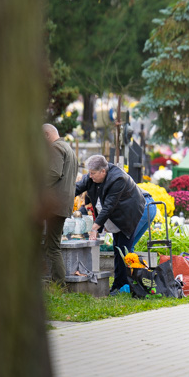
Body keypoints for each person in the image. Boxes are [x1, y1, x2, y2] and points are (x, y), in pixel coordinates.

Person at [77, 155, 145, 295]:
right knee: (117, 248)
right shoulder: (91, 176)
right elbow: (76, 188)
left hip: (129, 214)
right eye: (89, 173)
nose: (90, 176)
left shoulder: (118, 178)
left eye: (93, 173)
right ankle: (118, 284)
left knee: (123, 249)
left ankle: (124, 285)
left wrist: (94, 228)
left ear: (103, 171)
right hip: (117, 213)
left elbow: (109, 207)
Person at [42, 124, 78, 285]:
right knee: (53, 243)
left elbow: (53, 173)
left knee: (53, 246)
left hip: (54, 205)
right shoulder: (68, 148)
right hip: (63, 204)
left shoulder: (55, 148)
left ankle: (59, 284)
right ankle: (57, 282)